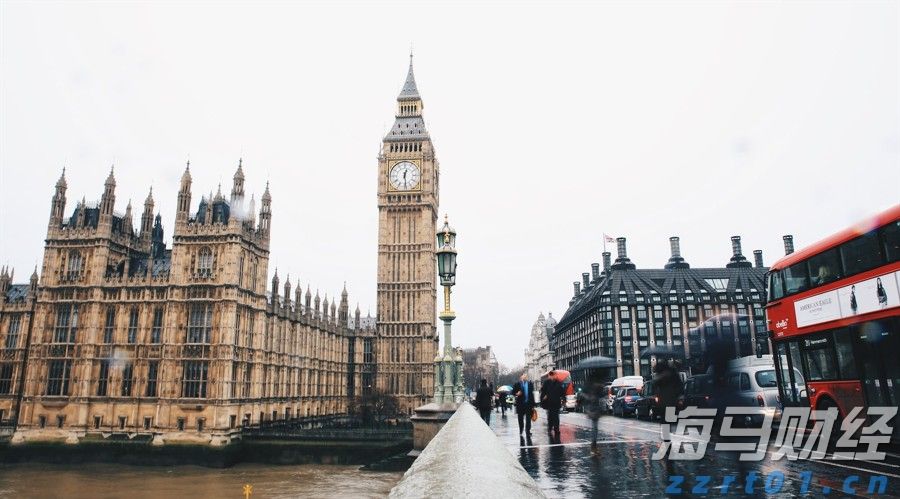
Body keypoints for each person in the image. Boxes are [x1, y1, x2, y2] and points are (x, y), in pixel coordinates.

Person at [541, 371, 564, 438]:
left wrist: (563, 399)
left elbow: (562, 392)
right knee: (550, 417)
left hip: (556, 403)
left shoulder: (558, 382)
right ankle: (550, 428)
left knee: (556, 417)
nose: (553, 376)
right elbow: (543, 391)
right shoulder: (546, 383)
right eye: (552, 375)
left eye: (554, 375)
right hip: (549, 403)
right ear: (550, 376)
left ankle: (556, 429)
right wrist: (544, 397)